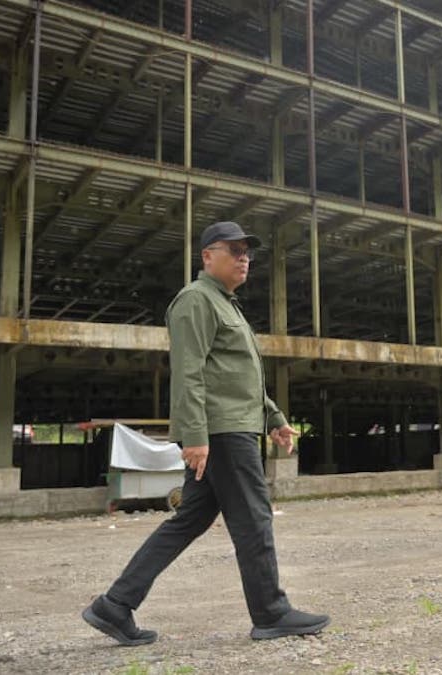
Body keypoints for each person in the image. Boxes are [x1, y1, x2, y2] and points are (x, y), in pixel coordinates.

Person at [83, 221, 329, 645]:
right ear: (207, 256)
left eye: (247, 252)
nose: (243, 258)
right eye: (233, 250)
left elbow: (239, 378)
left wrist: (273, 418)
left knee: (188, 521)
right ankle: (271, 612)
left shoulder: (226, 304)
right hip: (221, 434)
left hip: (229, 428)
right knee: (253, 518)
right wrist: (195, 436)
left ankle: (115, 604)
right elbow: (189, 374)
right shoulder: (195, 301)